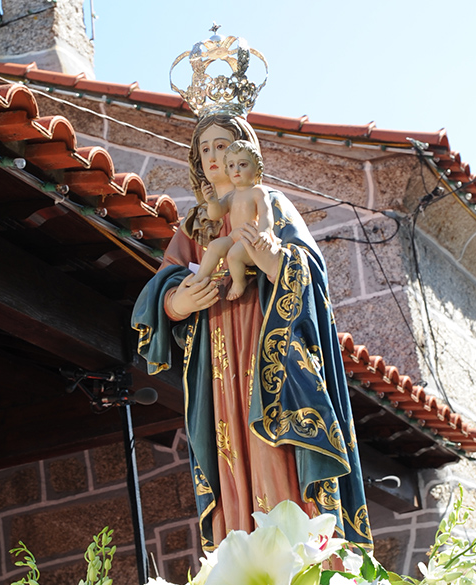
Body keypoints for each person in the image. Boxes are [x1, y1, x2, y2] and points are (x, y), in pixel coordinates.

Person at [131, 110, 372, 552]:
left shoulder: (269, 201)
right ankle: (242, 558)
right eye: (204, 148)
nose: (213, 156)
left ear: (245, 152)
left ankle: (296, 557)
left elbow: (307, 271)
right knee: (229, 455)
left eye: (222, 145)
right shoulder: (196, 225)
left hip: (268, 350)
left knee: (274, 448)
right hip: (219, 359)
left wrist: (268, 256)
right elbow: (161, 287)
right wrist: (180, 301)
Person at [190, 139, 273, 301]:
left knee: (233, 255)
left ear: (256, 169)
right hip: (235, 237)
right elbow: (215, 214)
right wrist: (212, 201)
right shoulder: (231, 195)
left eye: (242, 165)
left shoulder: (258, 191)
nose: (236, 170)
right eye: (231, 165)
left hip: (250, 239)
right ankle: (199, 277)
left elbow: (265, 214)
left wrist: (264, 232)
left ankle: (238, 283)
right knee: (214, 246)